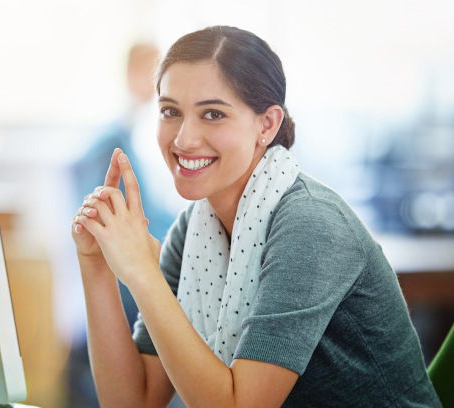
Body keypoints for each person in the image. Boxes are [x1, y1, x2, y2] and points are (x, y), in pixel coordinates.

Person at [70, 26, 442, 407]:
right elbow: (134, 401)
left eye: (213, 114)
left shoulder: (310, 226)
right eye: (170, 111)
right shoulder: (194, 230)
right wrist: (96, 262)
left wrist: (145, 276)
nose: (183, 140)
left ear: (266, 125)